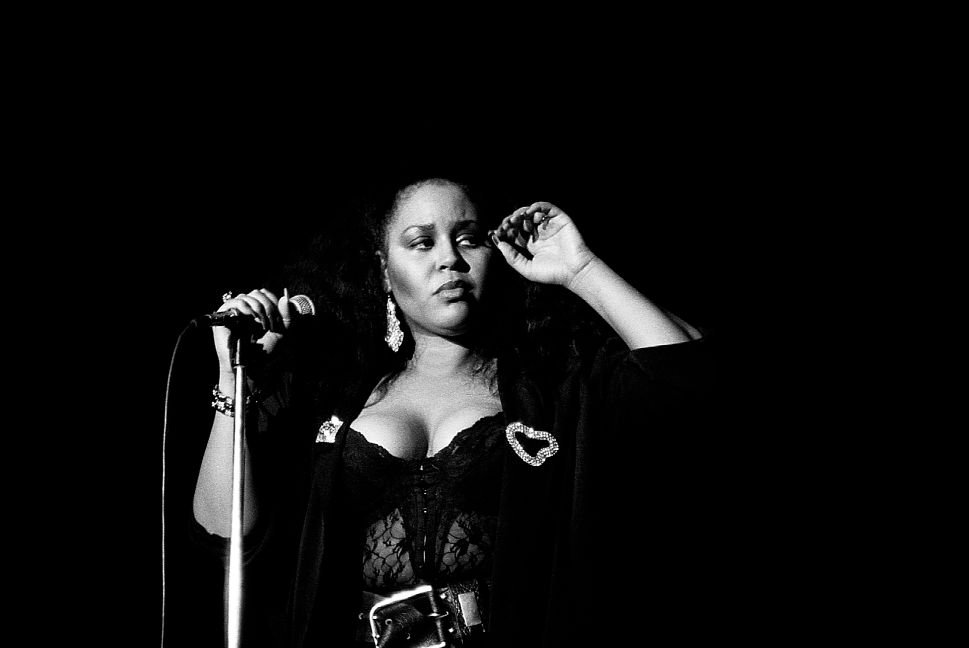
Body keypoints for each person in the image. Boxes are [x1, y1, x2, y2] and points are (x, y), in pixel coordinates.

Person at [188, 175, 713, 647]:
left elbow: (688, 374)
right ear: (384, 268)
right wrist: (232, 378)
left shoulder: (555, 387)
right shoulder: (335, 398)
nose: (450, 259)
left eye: (469, 239)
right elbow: (226, 535)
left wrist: (581, 268)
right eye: (421, 242)